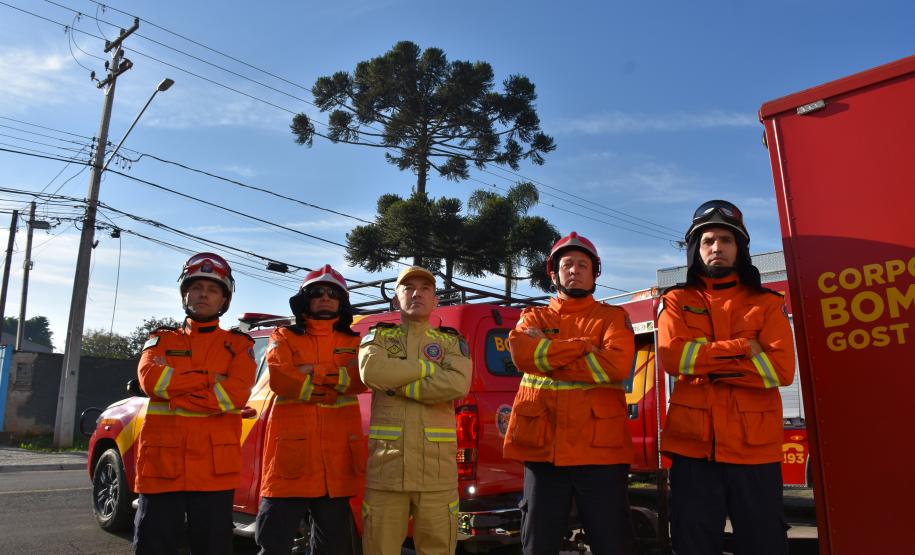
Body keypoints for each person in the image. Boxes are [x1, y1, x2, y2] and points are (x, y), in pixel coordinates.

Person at [657, 200, 796, 555]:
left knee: (763, 544)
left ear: (740, 248)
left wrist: (704, 360)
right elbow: (674, 358)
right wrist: (746, 348)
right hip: (693, 453)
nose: (716, 247)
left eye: (725, 240)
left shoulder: (766, 303)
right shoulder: (674, 301)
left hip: (755, 453)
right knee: (693, 545)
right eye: (707, 241)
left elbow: (780, 369)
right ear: (696, 249)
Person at [503, 231, 637, 555]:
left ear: (595, 273)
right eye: (567, 265)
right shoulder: (532, 317)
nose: (574, 270)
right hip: (543, 453)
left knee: (612, 545)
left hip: (600, 454)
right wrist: (584, 347)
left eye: (582, 264)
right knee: (538, 547)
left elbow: (615, 366)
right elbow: (523, 356)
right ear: (554, 273)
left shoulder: (613, 317)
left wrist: (548, 352)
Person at [133, 252, 257, 554]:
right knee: (153, 547)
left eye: (213, 289)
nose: (203, 294)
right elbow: (151, 380)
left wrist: (177, 389)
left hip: (214, 474)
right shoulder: (160, 339)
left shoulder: (239, 346)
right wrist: (210, 380)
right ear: (185, 293)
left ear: (224, 300)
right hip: (162, 470)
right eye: (196, 287)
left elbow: (236, 394)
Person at [358, 266, 473, 555]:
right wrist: (426, 368)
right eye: (408, 288)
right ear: (397, 300)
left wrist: (398, 386)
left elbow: (457, 384)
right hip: (387, 472)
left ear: (436, 300)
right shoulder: (379, 337)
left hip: (436, 475)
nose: (417, 293)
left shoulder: (450, 341)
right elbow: (373, 370)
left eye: (425, 288)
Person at [255, 264, 367, 555]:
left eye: (333, 293)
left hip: (336, 466)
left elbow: (361, 379)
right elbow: (281, 378)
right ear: (305, 300)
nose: (325, 298)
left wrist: (307, 371)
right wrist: (336, 377)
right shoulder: (283, 336)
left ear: (342, 302)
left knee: (333, 548)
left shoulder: (356, 342)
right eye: (318, 293)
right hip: (290, 467)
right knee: (273, 545)